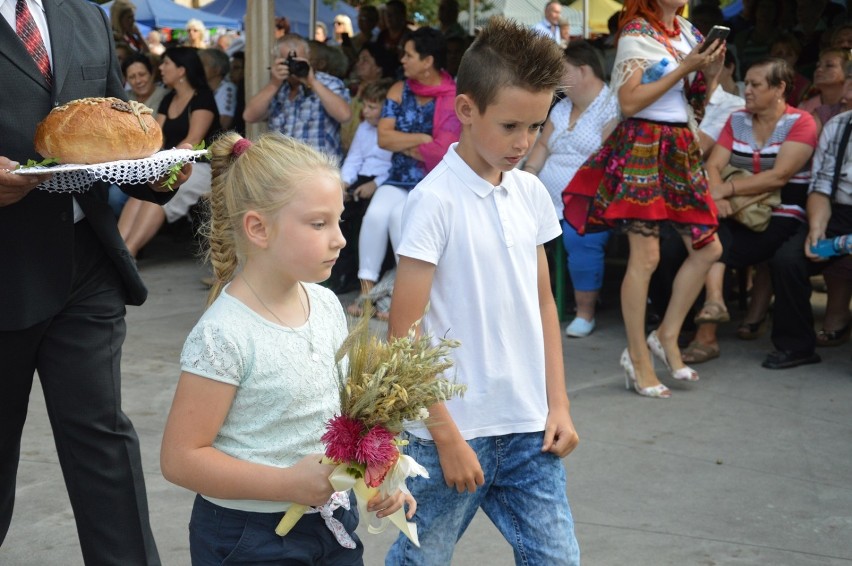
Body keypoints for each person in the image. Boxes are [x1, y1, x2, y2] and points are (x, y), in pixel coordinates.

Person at [160, 132, 413, 564]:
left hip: (332, 522)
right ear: (258, 228)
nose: (340, 239)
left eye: (339, 221)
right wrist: (285, 484)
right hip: (249, 538)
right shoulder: (224, 334)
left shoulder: (327, 303)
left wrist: (384, 470)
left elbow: (348, 414)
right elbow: (181, 459)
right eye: (319, 224)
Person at [0, 0, 191, 563]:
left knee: (103, 442)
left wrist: (160, 171)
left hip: (86, 266)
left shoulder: (83, 13)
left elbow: (117, 123)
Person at [385, 18, 580, 565]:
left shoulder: (531, 194)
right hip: (448, 433)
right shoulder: (432, 202)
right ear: (466, 109)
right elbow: (404, 330)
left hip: (529, 429)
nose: (524, 142)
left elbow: (545, 305)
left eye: (536, 127)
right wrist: (443, 434)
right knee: (421, 559)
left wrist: (558, 403)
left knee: (557, 559)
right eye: (510, 125)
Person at [563, 0, 725, 398]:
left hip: (679, 144)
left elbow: (702, 95)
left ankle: (666, 336)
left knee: (709, 248)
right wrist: (686, 67)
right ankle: (637, 357)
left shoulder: (688, 33)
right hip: (642, 142)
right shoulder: (637, 32)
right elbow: (629, 101)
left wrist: (709, 67)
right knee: (646, 257)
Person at [694, 57, 820, 369]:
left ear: (780, 89)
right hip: (736, 211)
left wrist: (729, 191)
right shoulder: (738, 119)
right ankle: (707, 317)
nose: (746, 90)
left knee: (781, 259)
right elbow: (712, 165)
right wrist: (719, 196)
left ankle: (796, 347)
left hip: (784, 212)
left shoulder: (801, 122)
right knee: (700, 237)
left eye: (755, 85)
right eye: (746, 83)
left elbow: (780, 176)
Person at [348, 27, 461, 319]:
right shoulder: (398, 90)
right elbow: (385, 139)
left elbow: (443, 149)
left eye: (409, 55)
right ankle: (367, 293)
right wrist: (422, 140)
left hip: (434, 180)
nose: (402, 60)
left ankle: (406, 295)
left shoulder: (452, 96)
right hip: (399, 177)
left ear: (428, 61)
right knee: (374, 215)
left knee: (400, 218)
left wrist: (410, 141)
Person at [524, 41, 619, 338]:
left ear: (582, 70)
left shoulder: (612, 105)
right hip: (548, 198)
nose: (557, 79)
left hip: (588, 199)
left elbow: (608, 161)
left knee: (581, 240)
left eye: (562, 72)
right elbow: (541, 147)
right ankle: (525, 306)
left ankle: (584, 312)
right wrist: (526, 180)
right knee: (515, 230)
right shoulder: (562, 107)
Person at [118, 47, 220, 259]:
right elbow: (158, 138)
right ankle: (118, 252)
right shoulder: (168, 99)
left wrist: (165, 161)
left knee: (164, 192)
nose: (161, 68)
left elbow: (192, 142)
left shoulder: (203, 98)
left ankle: (130, 253)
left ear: (181, 70)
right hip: (171, 163)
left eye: (166, 63)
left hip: (199, 167)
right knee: (141, 193)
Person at [330, 79, 395, 295]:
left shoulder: (397, 130)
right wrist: (345, 182)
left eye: (372, 107)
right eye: (365, 105)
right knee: (341, 217)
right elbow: (355, 157)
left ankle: (371, 278)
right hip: (361, 178)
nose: (365, 111)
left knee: (368, 222)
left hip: (384, 181)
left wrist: (375, 184)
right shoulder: (364, 129)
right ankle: (342, 275)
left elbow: (395, 164)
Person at [244, 34, 352, 159]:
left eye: (299, 62)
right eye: (289, 62)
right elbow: (249, 116)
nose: (294, 66)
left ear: (308, 58)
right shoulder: (277, 88)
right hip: (282, 169)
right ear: (277, 61)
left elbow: (345, 115)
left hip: (317, 169)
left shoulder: (328, 83)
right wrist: (274, 84)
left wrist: (312, 82)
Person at [805, 71, 852, 347]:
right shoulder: (839, 125)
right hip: (841, 211)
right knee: (790, 256)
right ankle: (795, 344)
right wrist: (817, 229)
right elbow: (821, 184)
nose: (846, 95)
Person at [799, 48, 852, 129]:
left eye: (829, 65)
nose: (819, 70)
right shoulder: (805, 107)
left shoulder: (849, 104)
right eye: (818, 66)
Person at [200, 48, 237, 130]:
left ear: (217, 70)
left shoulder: (228, 88)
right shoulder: (203, 90)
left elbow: (225, 122)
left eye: (203, 64)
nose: (198, 68)